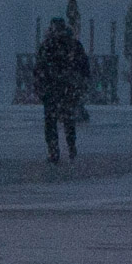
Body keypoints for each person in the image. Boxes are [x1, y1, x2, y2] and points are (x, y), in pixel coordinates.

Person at [34, 17, 91, 163]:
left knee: (51, 121)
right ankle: (70, 146)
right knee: (67, 119)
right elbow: (84, 66)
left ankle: (54, 150)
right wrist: (81, 83)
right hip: (67, 88)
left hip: (52, 88)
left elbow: (39, 68)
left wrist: (40, 86)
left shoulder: (48, 45)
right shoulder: (73, 45)